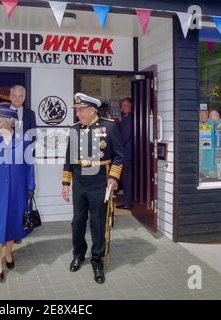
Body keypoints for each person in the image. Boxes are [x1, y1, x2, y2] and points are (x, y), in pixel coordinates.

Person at [61, 93, 124, 284]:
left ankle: (97, 260)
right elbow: (69, 158)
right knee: (78, 221)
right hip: (80, 182)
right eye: (77, 110)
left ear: (92, 110)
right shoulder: (75, 129)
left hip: (99, 182)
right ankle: (78, 254)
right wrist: (66, 183)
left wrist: (113, 178)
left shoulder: (109, 127)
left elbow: (120, 156)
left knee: (98, 222)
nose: (77, 114)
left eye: (80, 110)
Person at [0, 106, 35, 281]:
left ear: (10, 122)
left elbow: (29, 166)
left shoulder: (23, 140)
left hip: (16, 191)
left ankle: (8, 253)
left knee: (12, 224)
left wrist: (30, 186)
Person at [9, 85, 37, 244]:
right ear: (10, 96)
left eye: (21, 96)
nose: (18, 99)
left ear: (24, 98)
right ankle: (10, 228)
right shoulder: (3, 113)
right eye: (15, 96)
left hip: (25, 162)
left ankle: (22, 228)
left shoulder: (30, 114)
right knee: (11, 195)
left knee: (24, 194)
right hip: (7, 161)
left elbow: (34, 135)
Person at [116, 97, 133, 210]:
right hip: (127, 152)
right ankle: (126, 201)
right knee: (126, 178)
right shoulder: (125, 118)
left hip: (127, 153)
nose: (123, 108)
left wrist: (115, 146)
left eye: (125, 105)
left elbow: (125, 136)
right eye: (122, 106)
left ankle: (127, 203)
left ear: (131, 106)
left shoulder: (129, 119)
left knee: (127, 179)